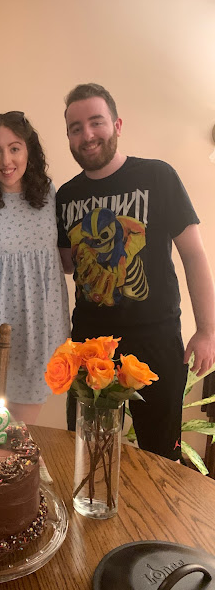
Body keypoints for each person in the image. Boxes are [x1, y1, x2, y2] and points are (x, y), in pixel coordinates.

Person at [57, 83, 215, 460]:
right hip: (90, 342)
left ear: (117, 125)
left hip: (155, 339)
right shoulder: (65, 196)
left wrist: (208, 330)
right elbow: (66, 264)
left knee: (159, 457)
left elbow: (194, 254)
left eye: (96, 122)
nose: (87, 134)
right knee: (87, 454)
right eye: (76, 128)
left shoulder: (158, 176)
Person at [0, 111, 70, 424]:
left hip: (41, 323)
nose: (6, 161)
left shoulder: (50, 195)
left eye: (14, 148)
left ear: (30, 150)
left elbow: (67, 258)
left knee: (23, 430)